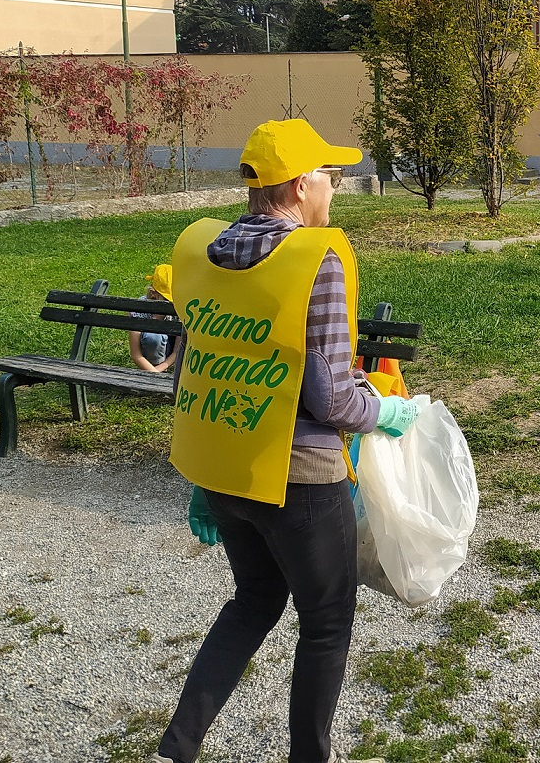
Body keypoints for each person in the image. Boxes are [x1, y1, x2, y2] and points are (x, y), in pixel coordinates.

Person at [152, 119, 419, 763]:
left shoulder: (199, 251)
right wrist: (382, 411)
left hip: (225, 469)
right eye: (327, 175)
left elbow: (204, 363)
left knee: (255, 599)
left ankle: (180, 745)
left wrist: (200, 484)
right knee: (326, 623)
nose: (333, 187)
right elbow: (328, 398)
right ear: (300, 187)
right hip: (300, 476)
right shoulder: (314, 259)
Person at [129, 263, 178, 373]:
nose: (171, 304)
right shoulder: (139, 309)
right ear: (153, 294)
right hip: (149, 354)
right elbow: (135, 354)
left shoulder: (179, 310)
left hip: (172, 354)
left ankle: (161, 370)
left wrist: (158, 371)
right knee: (153, 337)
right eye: (166, 300)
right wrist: (155, 319)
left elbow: (177, 351)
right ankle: (155, 367)